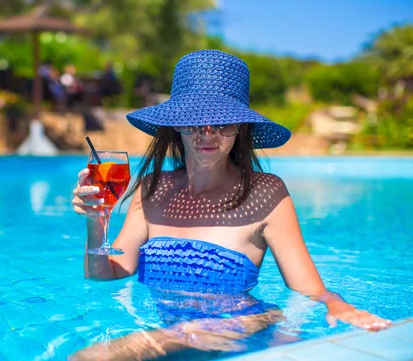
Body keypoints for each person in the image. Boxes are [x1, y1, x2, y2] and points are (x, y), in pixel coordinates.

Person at [70, 50, 391, 360]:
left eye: (222, 122)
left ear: (240, 127)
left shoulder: (266, 194)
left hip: (237, 331)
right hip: (167, 339)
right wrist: (95, 224)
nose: (206, 134)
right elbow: (105, 275)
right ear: (176, 125)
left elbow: (309, 291)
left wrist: (338, 305)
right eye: (194, 121)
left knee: (92, 359)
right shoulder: (153, 188)